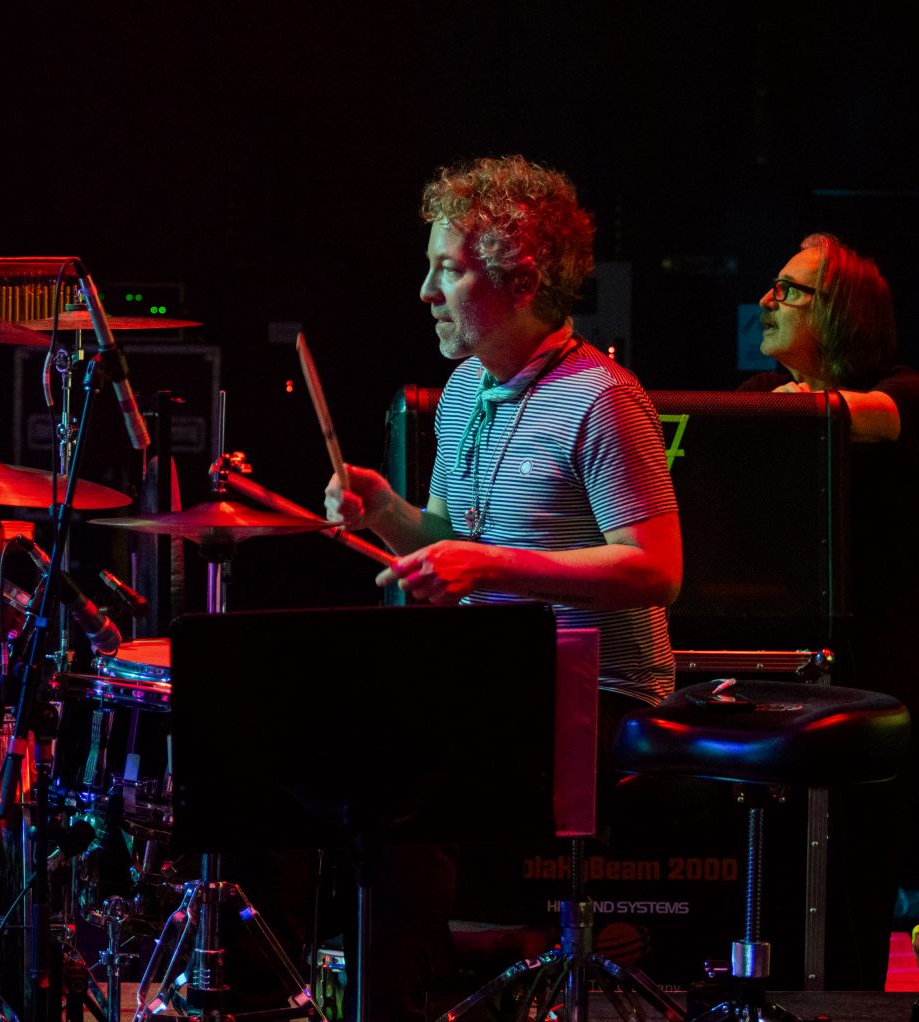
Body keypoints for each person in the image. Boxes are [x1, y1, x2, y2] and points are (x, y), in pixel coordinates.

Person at [322, 154, 683, 1018]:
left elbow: (656, 569)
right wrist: (386, 512)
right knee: (321, 740)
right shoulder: (464, 391)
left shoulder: (603, 398)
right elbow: (451, 542)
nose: (425, 292)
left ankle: (402, 1004)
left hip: (598, 692)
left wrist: (490, 565)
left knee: (393, 779)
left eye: (447, 269)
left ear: (521, 280)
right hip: (500, 680)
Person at [742, 232, 919, 989]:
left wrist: (790, 413)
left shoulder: (904, 389)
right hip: (777, 670)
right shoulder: (760, 394)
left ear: (841, 312)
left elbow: (870, 416)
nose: (768, 300)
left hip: (872, 673)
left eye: (790, 290)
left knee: (857, 863)